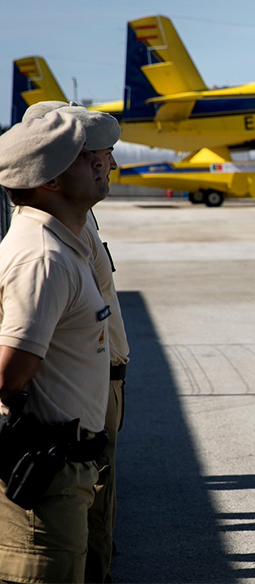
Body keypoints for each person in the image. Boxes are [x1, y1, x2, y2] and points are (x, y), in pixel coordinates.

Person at [0, 110, 114, 583]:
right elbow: (8, 376)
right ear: (48, 182)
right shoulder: (43, 259)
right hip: (48, 472)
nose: (103, 163)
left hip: (69, 464)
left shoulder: (62, 244)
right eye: (86, 157)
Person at [23, 101, 130, 584]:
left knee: (97, 505)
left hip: (103, 376)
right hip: (87, 386)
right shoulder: (55, 235)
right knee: (90, 511)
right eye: (97, 155)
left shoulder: (78, 217)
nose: (108, 164)